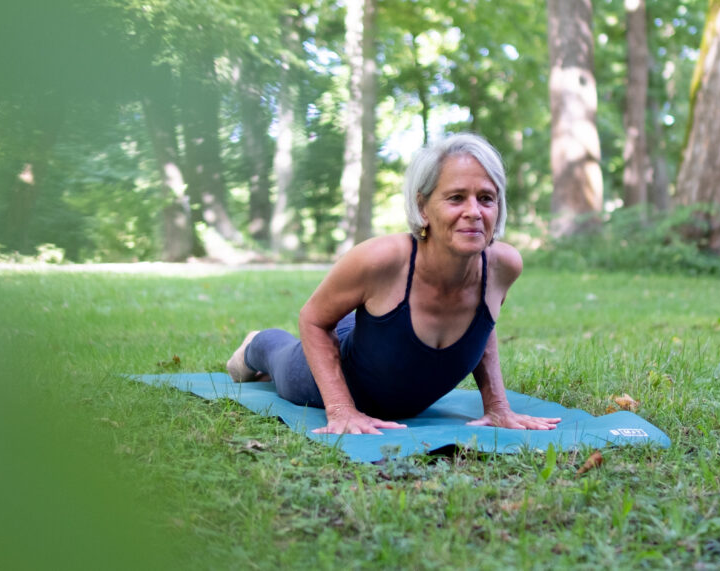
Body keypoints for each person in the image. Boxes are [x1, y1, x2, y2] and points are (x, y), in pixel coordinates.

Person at [226, 132, 561, 435]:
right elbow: (313, 319)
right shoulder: (381, 259)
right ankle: (255, 344)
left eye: (486, 198)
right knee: (280, 359)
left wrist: (497, 406)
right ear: (423, 207)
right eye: (456, 198)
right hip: (342, 359)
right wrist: (341, 410)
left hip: (382, 336)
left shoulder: (503, 265)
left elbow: (482, 325)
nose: (474, 211)